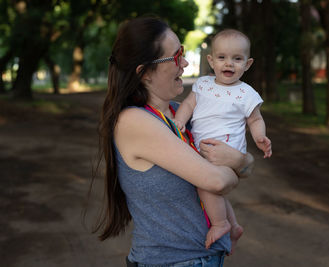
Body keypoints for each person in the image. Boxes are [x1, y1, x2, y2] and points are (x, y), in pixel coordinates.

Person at [92, 17, 255, 267]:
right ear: (145, 73)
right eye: (177, 55)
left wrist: (241, 160)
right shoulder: (134, 121)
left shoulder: (182, 114)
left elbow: (246, 164)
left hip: (205, 258)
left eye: (184, 52)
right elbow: (218, 180)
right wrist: (236, 168)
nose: (186, 62)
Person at [173, 29, 272, 252]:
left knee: (206, 185)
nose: (229, 64)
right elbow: (188, 105)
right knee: (212, 191)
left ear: (247, 64)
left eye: (237, 59)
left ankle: (221, 223)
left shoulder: (247, 94)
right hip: (203, 150)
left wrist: (259, 137)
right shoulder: (203, 84)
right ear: (211, 60)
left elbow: (255, 119)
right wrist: (179, 121)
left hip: (227, 152)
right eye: (222, 57)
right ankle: (235, 226)